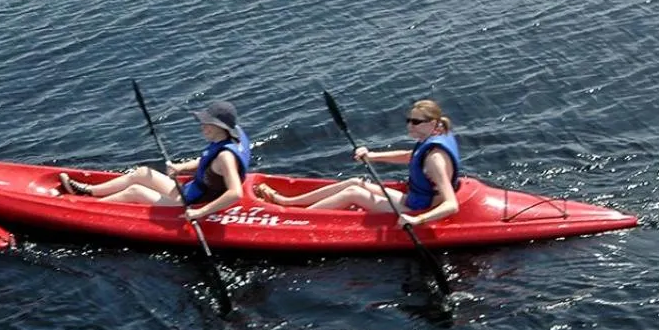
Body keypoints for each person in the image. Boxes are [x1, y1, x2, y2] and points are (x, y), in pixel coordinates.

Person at [253, 99, 461, 229]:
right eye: (409, 120)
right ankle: (288, 202)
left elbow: (451, 205)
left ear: (432, 124)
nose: (409, 125)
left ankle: (298, 219)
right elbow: (410, 156)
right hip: (414, 198)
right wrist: (371, 155)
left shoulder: (435, 159)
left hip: (417, 207)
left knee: (353, 193)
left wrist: (417, 220)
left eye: (415, 122)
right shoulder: (431, 139)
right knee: (355, 182)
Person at [59, 100, 250, 222]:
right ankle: (87, 191)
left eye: (208, 123)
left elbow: (235, 193)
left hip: (191, 203)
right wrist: (181, 167)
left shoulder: (226, 157)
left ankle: (86, 211)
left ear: (220, 127)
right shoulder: (228, 137)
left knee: (135, 192)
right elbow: (208, 161)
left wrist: (199, 213)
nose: (202, 126)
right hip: (189, 190)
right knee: (143, 172)